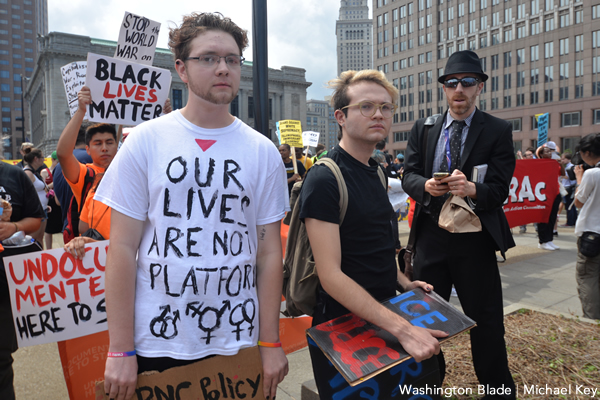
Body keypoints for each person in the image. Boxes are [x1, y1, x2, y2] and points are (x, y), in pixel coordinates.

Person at [94, 12, 288, 400]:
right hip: (158, 341)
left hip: (238, 338)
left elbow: (268, 252)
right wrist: (120, 348)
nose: (223, 68)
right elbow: (122, 249)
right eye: (209, 58)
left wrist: (270, 342)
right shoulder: (144, 141)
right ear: (181, 68)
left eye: (232, 60)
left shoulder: (263, 152)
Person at [299, 69, 446, 399]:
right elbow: (331, 276)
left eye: (386, 107)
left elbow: (375, 246)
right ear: (341, 116)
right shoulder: (325, 179)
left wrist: (405, 283)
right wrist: (404, 329)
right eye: (366, 106)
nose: (379, 114)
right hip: (342, 332)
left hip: (386, 316)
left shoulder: (377, 172)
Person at [402, 50, 516, 399]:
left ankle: (497, 391)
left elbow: (499, 190)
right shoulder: (424, 128)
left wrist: (472, 189)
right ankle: (425, 389)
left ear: (480, 86)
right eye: (452, 83)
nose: (459, 90)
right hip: (431, 239)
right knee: (424, 322)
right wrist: (425, 186)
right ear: (444, 88)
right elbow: (408, 175)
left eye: (467, 82)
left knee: (486, 324)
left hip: (475, 240)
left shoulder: (497, 130)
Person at [0, 162, 44, 399]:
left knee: (1, 361)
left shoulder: (14, 175)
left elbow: (36, 219)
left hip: (5, 284)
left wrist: (13, 226)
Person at [56, 91, 117, 246]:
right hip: (93, 252)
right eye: (98, 143)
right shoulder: (86, 174)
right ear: (88, 149)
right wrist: (81, 111)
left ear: (117, 146)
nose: (104, 148)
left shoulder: (130, 173)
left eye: (109, 142)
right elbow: (63, 154)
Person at [573, 133, 600, 319]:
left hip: (592, 233)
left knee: (587, 277)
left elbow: (578, 202)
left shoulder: (592, 174)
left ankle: (592, 320)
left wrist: (579, 179)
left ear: (587, 152)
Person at [53, 122, 93, 234]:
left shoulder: (58, 166)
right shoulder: (92, 158)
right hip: (90, 229)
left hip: (68, 228)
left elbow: (57, 201)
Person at [537, 144, 562, 250]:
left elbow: (562, 174)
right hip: (543, 195)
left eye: (550, 151)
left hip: (555, 193)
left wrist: (560, 164)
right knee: (543, 218)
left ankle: (549, 240)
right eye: (546, 151)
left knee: (552, 218)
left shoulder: (554, 163)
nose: (549, 152)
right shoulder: (538, 164)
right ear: (541, 154)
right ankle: (542, 241)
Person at [22, 147, 49, 245]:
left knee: (39, 239)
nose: (43, 159)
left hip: (42, 209)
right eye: (42, 157)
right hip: (36, 212)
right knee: (34, 240)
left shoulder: (33, 172)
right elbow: (25, 194)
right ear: (35, 159)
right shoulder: (28, 173)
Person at [44, 151, 62, 249]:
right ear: (52, 160)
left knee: (62, 226)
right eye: (57, 162)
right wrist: (55, 184)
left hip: (60, 200)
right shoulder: (45, 171)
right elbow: (42, 187)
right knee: (49, 228)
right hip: (49, 201)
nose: (59, 164)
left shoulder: (63, 170)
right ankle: (49, 249)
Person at [560, 152, 578, 227]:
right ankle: (573, 221)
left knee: (568, 205)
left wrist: (561, 174)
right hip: (571, 187)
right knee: (571, 205)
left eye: (564, 159)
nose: (562, 160)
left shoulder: (568, 167)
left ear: (568, 159)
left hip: (568, 187)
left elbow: (567, 177)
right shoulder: (572, 166)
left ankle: (570, 222)